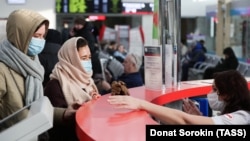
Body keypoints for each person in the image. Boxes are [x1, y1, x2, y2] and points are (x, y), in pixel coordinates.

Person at [0, 9, 81, 139]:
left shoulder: (33, 64)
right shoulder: (3, 68)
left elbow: (36, 110)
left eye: (43, 36)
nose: (41, 41)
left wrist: (64, 114)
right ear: (21, 35)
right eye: (36, 36)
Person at [108, 70, 250, 124]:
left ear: (228, 95)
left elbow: (185, 122)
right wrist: (199, 117)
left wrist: (141, 104)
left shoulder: (241, 118)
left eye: (215, 90)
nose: (211, 94)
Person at [44, 37, 101, 140]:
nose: (88, 62)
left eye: (89, 57)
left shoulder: (87, 81)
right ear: (71, 59)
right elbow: (57, 126)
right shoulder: (55, 86)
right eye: (83, 58)